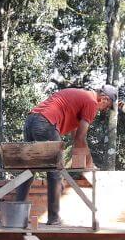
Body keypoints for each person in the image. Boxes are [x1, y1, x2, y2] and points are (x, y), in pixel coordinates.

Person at [14, 85, 117, 225]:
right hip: (46, 123)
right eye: (107, 106)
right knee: (55, 170)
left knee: (29, 169)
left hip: (31, 121)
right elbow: (80, 138)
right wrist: (90, 163)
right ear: (104, 99)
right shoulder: (91, 102)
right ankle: (54, 218)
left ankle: (17, 217)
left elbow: (76, 137)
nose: (104, 110)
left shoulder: (81, 96)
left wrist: (82, 160)